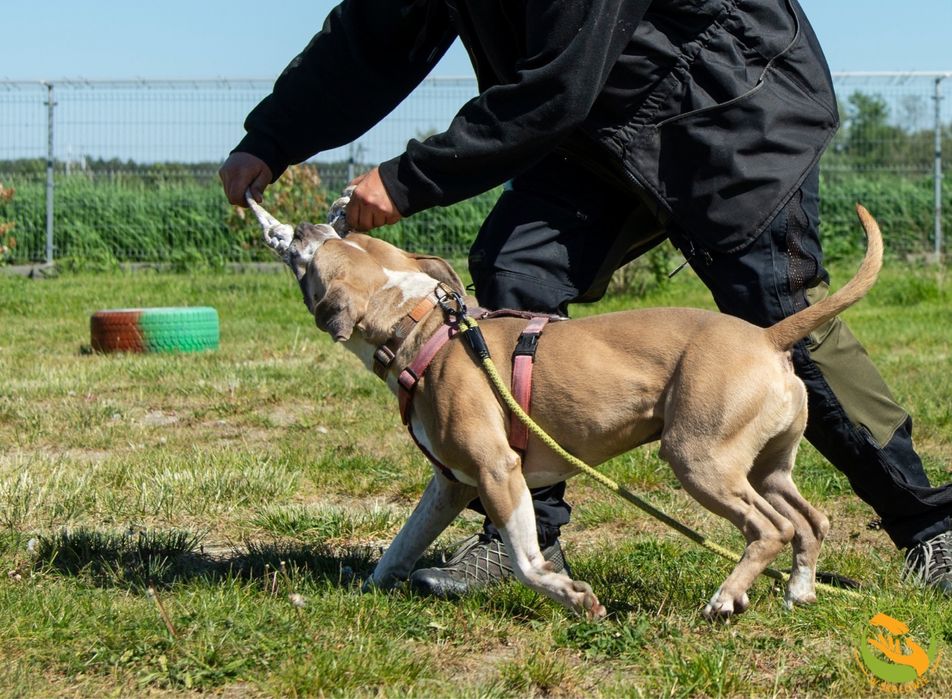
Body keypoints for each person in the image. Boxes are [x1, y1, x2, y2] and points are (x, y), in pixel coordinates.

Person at [221, 0, 952, 598]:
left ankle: (930, 529)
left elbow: (556, 83)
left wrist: (409, 180)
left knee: (778, 313)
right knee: (515, 263)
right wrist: (273, 136)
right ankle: (524, 534)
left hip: (732, 103)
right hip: (602, 130)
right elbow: (372, 36)